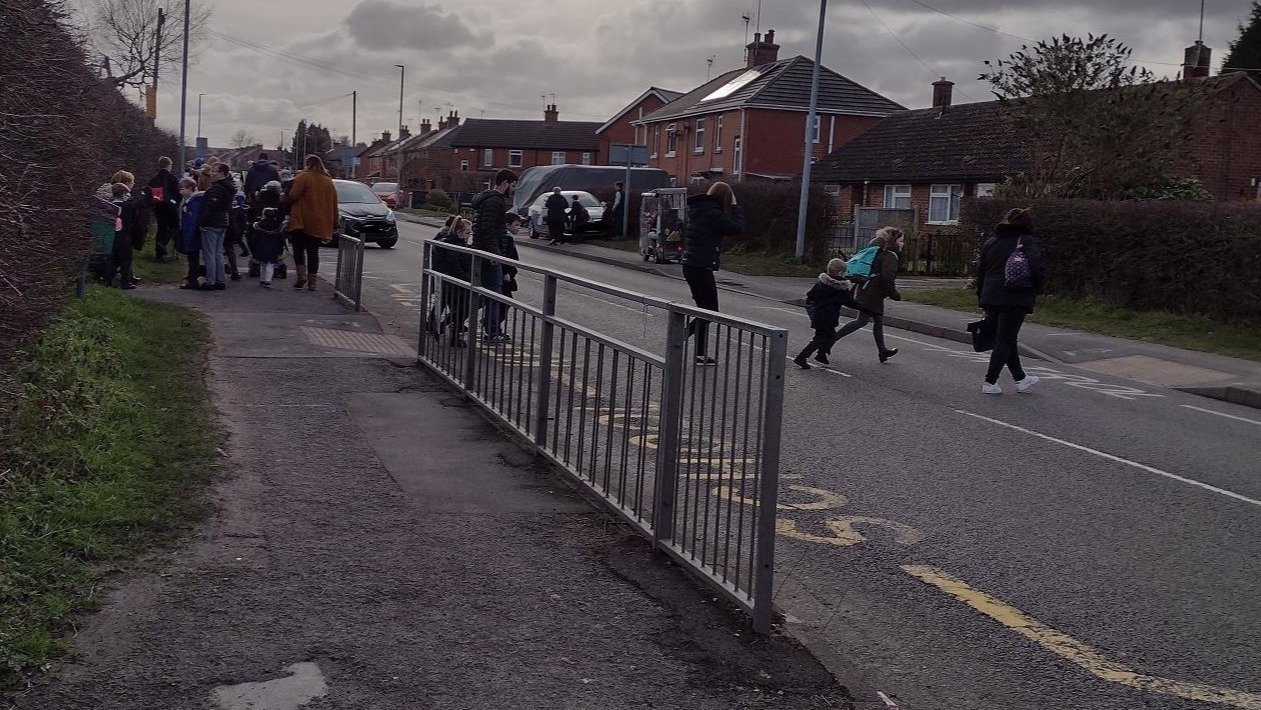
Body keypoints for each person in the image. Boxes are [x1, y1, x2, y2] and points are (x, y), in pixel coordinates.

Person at [975, 208, 1046, 395]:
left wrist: (981, 296)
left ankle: (1020, 378)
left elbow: (981, 273)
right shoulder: (1026, 242)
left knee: (1007, 338)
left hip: (991, 297)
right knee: (1005, 339)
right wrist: (1036, 287)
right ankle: (990, 382)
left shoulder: (991, 242)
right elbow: (1037, 269)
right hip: (1015, 296)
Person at [681, 181, 743, 365]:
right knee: (711, 311)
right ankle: (680, 336)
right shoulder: (712, 214)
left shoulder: (701, 210)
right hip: (700, 267)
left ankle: (700, 355)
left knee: (704, 311)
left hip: (692, 265)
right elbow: (736, 228)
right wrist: (736, 206)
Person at [831, 227, 903, 363]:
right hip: (873, 294)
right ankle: (830, 339)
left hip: (866, 290)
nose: (902, 243)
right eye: (900, 240)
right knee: (862, 321)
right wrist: (895, 294)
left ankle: (883, 352)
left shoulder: (876, 252)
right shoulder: (889, 256)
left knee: (878, 320)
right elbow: (888, 278)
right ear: (894, 241)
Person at [470, 168, 517, 340]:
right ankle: (492, 331)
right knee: (493, 293)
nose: (514, 189)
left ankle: (455, 321)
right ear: (505, 184)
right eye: (513, 185)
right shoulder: (495, 202)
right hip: (489, 256)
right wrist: (495, 255)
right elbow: (488, 229)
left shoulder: (488, 199)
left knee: (482, 293)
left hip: (483, 252)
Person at [281, 155, 339, 291]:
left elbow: (293, 196)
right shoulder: (328, 181)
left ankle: (301, 276)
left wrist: (282, 198)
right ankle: (312, 283)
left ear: (308, 164)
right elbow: (334, 204)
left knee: (298, 250)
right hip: (320, 223)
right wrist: (335, 223)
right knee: (313, 252)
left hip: (301, 221)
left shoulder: (303, 177)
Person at [793, 259, 865, 369]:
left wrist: (812, 308)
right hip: (827, 316)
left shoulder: (821, 283)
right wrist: (865, 308)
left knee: (830, 336)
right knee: (820, 338)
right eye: (844, 272)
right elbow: (850, 302)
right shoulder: (840, 288)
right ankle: (802, 357)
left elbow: (810, 295)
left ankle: (821, 355)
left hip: (819, 314)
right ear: (840, 272)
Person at [432, 217, 473, 346]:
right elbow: (455, 266)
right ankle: (454, 337)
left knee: (451, 307)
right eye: (467, 233)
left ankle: (436, 327)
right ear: (459, 232)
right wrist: (467, 278)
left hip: (447, 282)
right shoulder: (454, 245)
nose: (468, 236)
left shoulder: (452, 242)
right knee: (460, 309)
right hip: (453, 283)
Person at [198, 163, 235, 291]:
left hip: (211, 223)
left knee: (209, 254)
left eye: (215, 172)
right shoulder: (229, 187)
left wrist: (201, 221)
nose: (212, 174)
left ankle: (210, 282)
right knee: (218, 253)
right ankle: (220, 280)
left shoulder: (217, 188)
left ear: (222, 174)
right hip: (222, 222)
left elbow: (210, 206)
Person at [149, 157, 182, 262]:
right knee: (175, 227)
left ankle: (159, 254)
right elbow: (178, 193)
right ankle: (164, 242)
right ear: (169, 166)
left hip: (158, 207)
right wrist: (176, 203)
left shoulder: (154, 179)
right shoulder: (173, 178)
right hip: (170, 207)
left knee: (161, 228)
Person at [109, 183, 137, 290]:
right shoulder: (128, 206)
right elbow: (134, 218)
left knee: (113, 258)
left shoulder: (109, 205)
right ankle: (125, 281)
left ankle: (108, 279)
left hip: (112, 235)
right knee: (126, 259)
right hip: (124, 235)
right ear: (124, 195)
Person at [177, 178, 203, 289]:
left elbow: (192, 221)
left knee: (193, 259)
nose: (180, 192)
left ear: (189, 188)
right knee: (192, 258)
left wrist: (189, 235)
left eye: (182, 189)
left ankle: (193, 280)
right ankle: (192, 277)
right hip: (189, 233)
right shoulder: (189, 201)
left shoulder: (194, 202)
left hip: (191, 234)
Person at [499, 212, 523, 332]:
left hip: (507, 273)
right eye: (517, 225)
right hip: (506, 275)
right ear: (508, 225)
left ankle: (491, 324)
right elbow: (506, 256)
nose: (519, 227)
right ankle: (492, 325)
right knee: (504, 302)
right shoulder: (507, 238)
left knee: (503, 301)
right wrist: (506, 272)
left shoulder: (508, 237)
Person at [251, 207, 286, 289]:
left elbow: (254, 239)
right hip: (273, 248)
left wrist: (254, 249)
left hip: (261, 247)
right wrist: (281, 250)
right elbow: (281, 240)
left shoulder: (258, 225)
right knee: (270, 264)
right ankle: (268, 281)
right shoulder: (278, 226)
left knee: (263, 264)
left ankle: (262, 279)